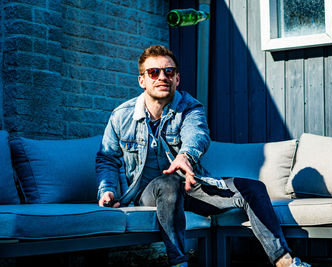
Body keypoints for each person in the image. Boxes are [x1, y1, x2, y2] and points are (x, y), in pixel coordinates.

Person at [96, 45, 310, 267]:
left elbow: (197, 133)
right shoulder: (121, 116)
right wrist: (108, 190)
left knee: (253, 188)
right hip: (149, 192)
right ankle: (178, 263)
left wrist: (185, 156)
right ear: (142, 80)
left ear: (177, 78)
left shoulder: (189, 107)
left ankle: (284, 260)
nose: (162, 77)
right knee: (169, 182)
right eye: (153, 72)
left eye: (169, 72)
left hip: (191, 186)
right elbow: (107, 158)